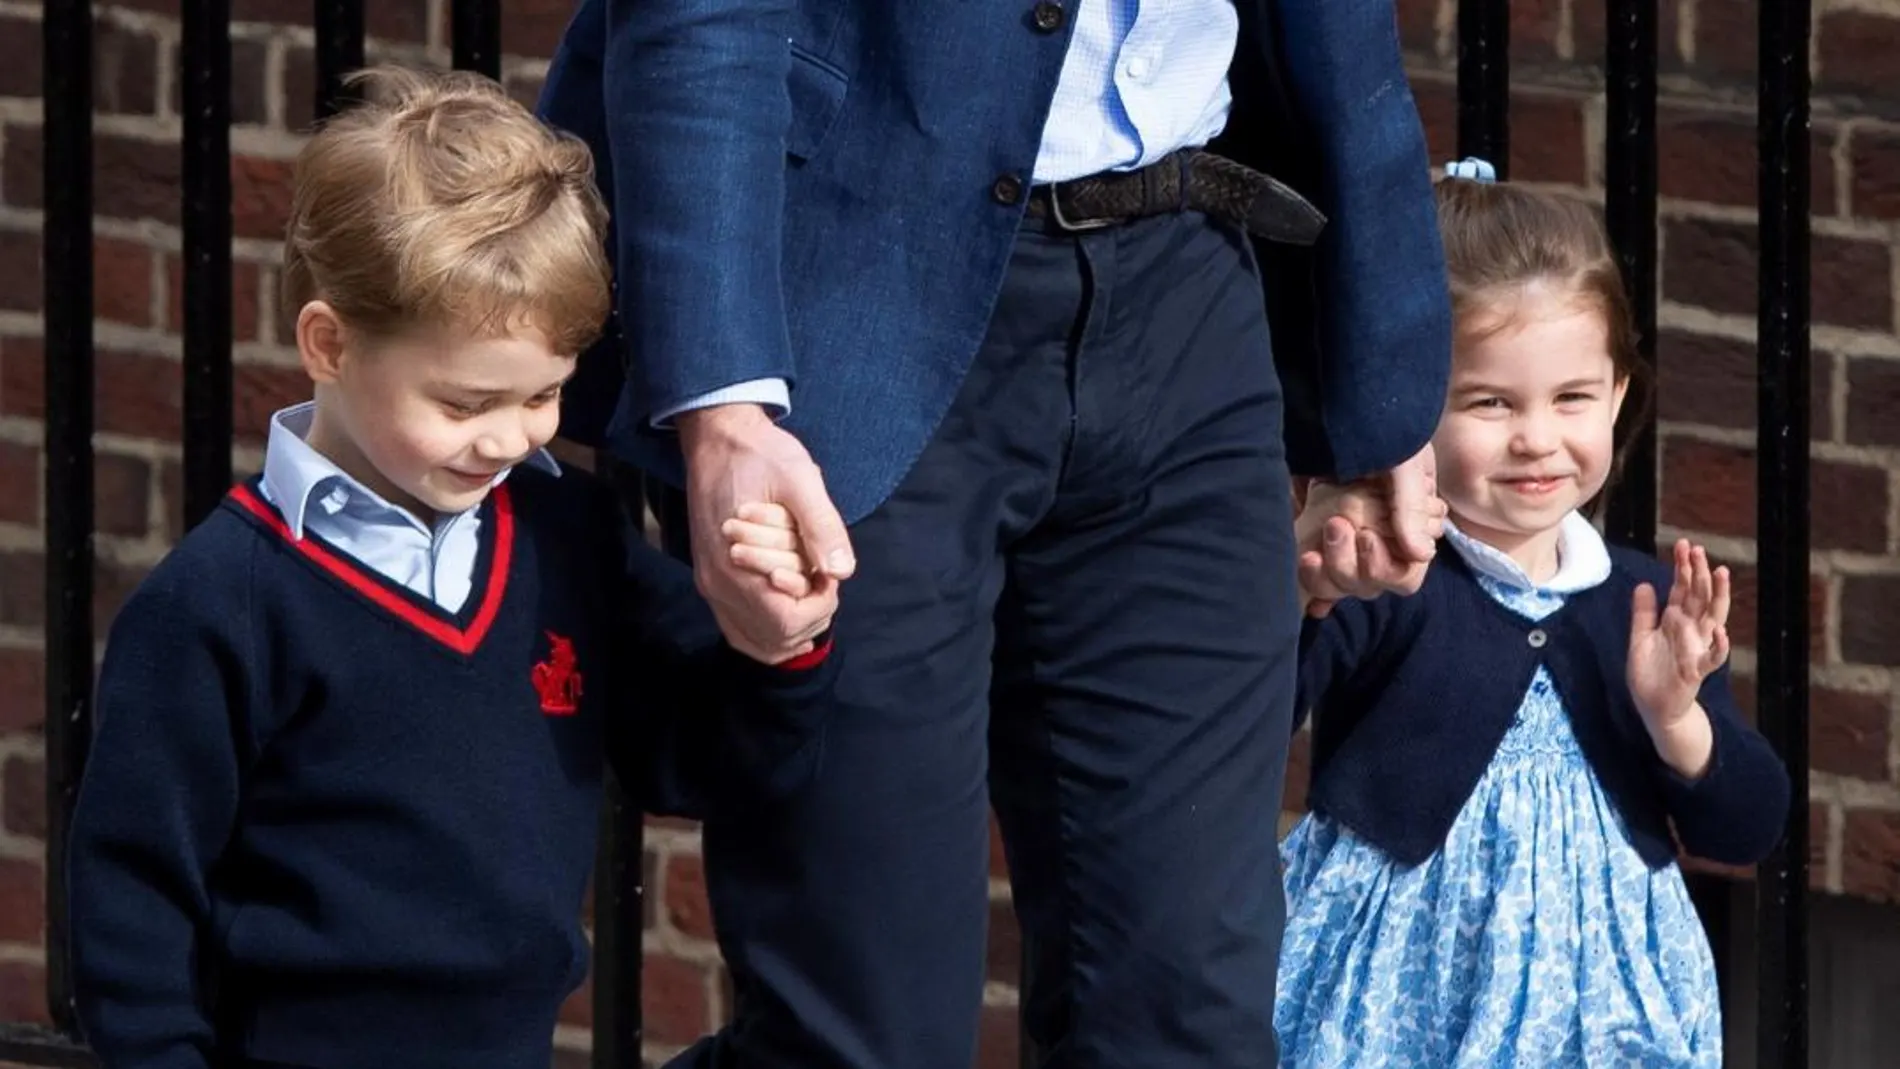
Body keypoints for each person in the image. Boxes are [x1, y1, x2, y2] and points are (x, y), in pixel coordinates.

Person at [536, 1, 1453, 1065]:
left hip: (1192, 292)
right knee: (866, 1030)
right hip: (846, 302)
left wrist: (1367, 366)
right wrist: (724, 409)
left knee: (1185, 1020)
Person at [65, 66, 839, 1069]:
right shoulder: (218, 602)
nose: (509, 438)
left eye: (545, 395)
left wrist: (780, 645)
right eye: (466, 404)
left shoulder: (571, 534)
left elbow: (702, 760)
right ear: (328, 343)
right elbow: (132, 897)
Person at [1274, 162, 1792, 1068]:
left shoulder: (1644, 603)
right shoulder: (1393, 578)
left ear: (1619, 395)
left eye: (1573, 398)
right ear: (1413, 402)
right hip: (1400, 990)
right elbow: (1249, 718)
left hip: (1603, 1005)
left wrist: (1677, 717)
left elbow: (1747, 827)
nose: (1538, 438)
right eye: (1490, 402)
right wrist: (1307, 590)